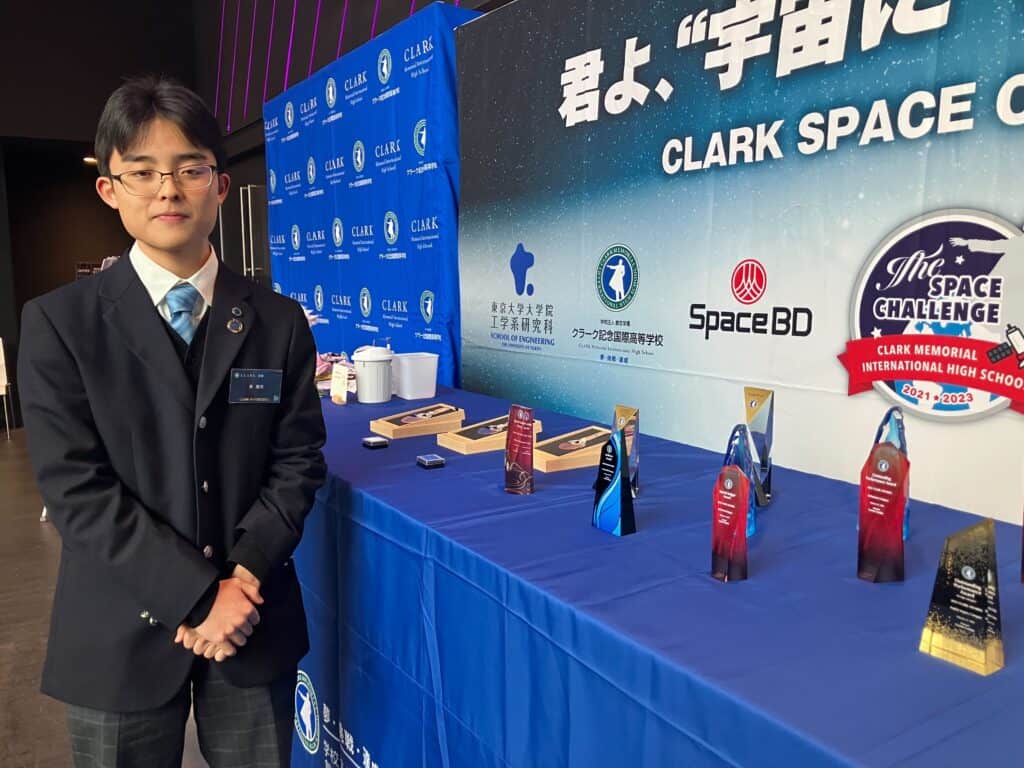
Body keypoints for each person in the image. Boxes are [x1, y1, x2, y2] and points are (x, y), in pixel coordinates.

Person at [18, 75, 326, 768]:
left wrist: (241, 578)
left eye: (190, 169)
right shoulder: (61, 325)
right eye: (143, 172)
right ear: (109, 188)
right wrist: (198, 597)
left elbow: (298, 459)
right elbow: (76, 491)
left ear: (221, 186)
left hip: (250, 624)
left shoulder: (278, 321)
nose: (168, 190)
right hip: (117, 633)